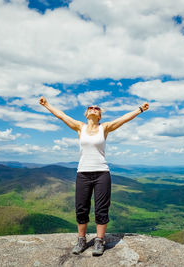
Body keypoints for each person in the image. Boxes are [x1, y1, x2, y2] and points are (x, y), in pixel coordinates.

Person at [39, 95, 149, 256]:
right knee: (81, 208)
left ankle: (99, 240)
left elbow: (123, 119)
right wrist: (46, 105)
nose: (93, 109)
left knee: (101, 208)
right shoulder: (79, 127)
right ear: (86, 113)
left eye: (97, 108)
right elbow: (61, 115)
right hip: (83, 173)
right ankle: (81, 240)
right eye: (90, 107)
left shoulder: (105, 128)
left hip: (102, 173)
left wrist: (140, 109)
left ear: (99, 115)